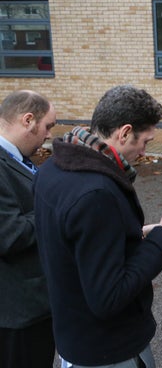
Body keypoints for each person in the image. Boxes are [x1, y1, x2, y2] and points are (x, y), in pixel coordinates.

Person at [34, 85, 162, 368]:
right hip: (108, 350)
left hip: (74, 337)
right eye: (145, 141)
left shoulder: (53, 168)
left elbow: (74, 244)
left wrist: (135, 234)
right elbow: (109, 296)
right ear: (124, 132)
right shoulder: (97, 193)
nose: (144, 152)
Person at [0, 90, 56, 367]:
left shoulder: (18, 159)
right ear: (28, 120)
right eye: (48, 126)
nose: (48, 135)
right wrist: (54, 209)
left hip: (35, 307)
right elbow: (9, 235)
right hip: (18, 315)